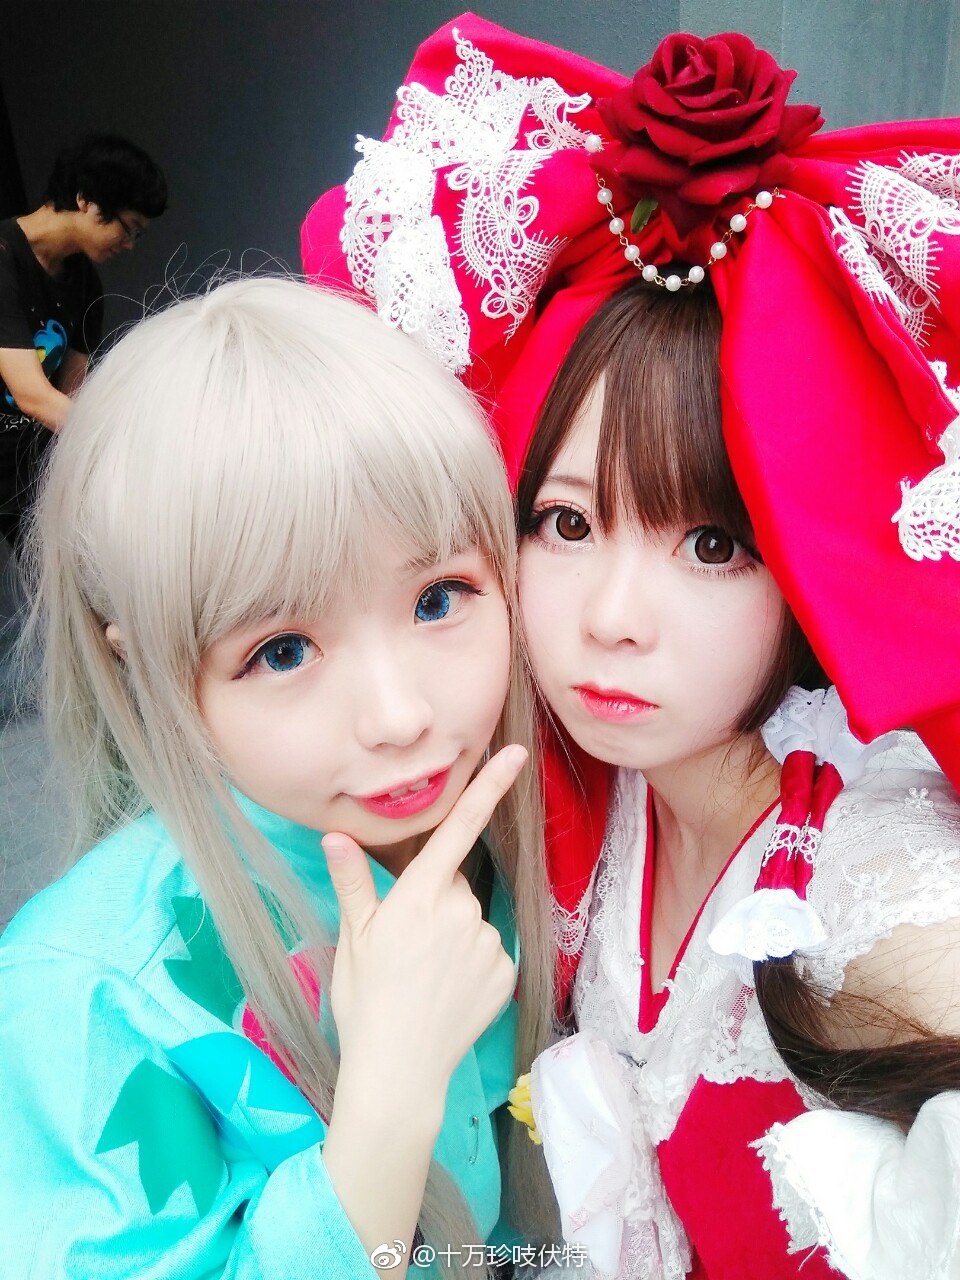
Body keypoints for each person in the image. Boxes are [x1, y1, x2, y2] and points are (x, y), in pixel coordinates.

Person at [302, 15, 960, 1278]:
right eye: (565, 522)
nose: (612, 615)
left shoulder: (876, 875)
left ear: (805, 569)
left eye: (711, 544)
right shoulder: (604, 796)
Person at [0, 277, 558, 1279]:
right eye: (283, 651)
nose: (399, 715)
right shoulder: (79, 994)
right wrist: (388, 1094)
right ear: (143, 664)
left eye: (440, 597)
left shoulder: (555, 818)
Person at [0, 133, 167, 549]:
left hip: (26, 473)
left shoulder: (86, 284)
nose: (129, 245)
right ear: (86, 200)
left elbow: (72, 397)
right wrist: (126, 447)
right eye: (129, 229)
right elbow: (33, 395)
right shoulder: (4, 258)